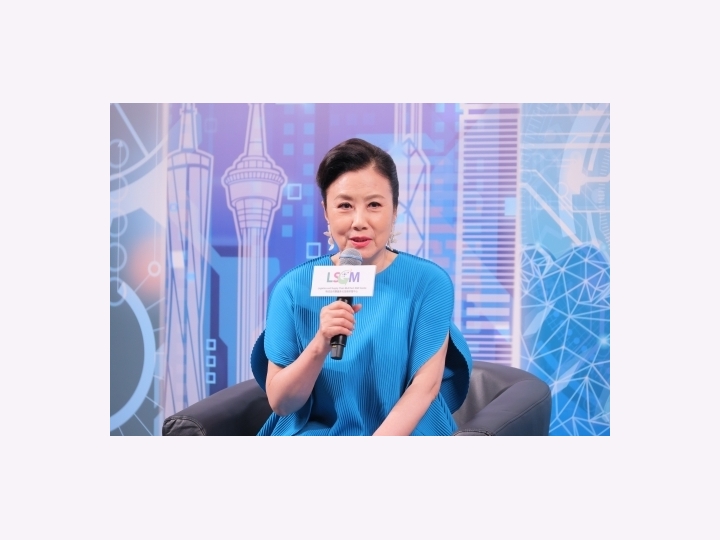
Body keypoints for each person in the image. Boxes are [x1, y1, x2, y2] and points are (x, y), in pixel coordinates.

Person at [250, 138, 472, 435]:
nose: (359, 221)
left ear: (394, 209)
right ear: (326, 212)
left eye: (374, 205)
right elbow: (281, 403)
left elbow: (425, 387)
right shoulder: (292, 288)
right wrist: (320, 344)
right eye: (344, 206)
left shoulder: (428, 282)